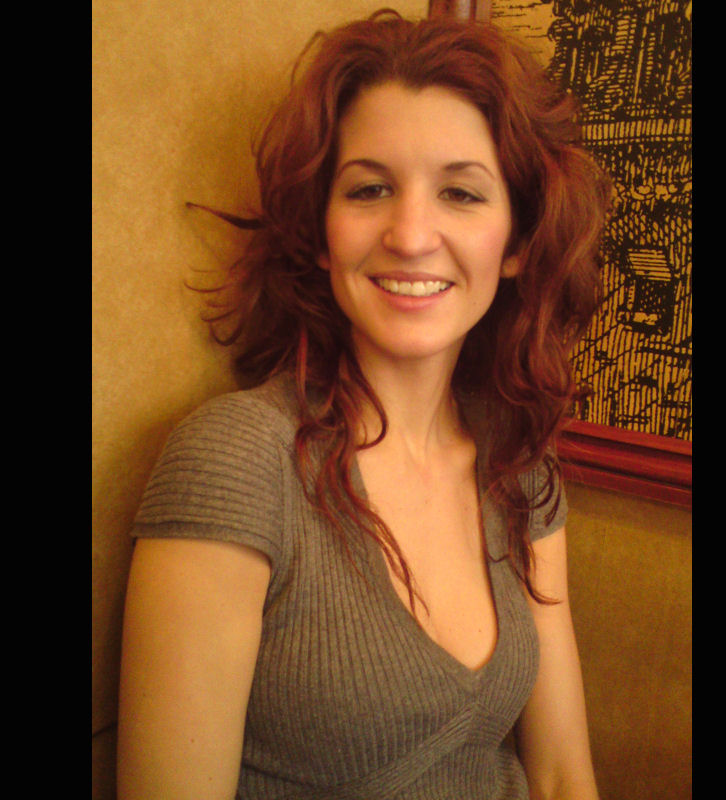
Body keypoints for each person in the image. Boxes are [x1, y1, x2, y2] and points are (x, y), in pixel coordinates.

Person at [116, 9, 611, 800]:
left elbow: (559, 777)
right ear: (321, 232)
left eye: (461, 193)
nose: (411, 235)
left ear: (518, 243)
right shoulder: (237, 461)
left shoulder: (521, 461)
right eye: (370, 189)